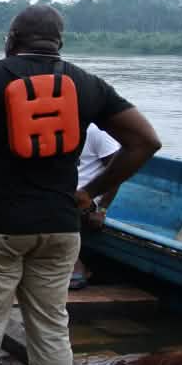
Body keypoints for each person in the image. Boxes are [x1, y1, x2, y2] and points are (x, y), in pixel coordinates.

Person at [0, 5, 160, 365]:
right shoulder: (86, 83)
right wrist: (90, 192)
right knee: (52, 330)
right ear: (59, 41)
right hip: (61, 227)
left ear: (11, 37)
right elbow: (145, 141)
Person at [71, 124, 122, 289]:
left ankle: (77, 266)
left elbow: (116, 172)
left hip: (88, 198)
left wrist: (102, 209)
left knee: (59, 211)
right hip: (65, 192)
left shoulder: (97, 132)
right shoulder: (64, 129)